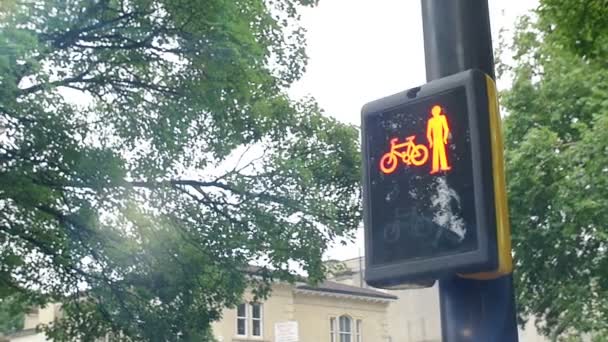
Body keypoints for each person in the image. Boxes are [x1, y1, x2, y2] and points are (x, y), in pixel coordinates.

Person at [426, 105, 451, 174]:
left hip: (440, 138)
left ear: (439, 111)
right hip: (434, 139)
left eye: (436, 111)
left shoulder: (442, 118)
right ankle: (435, 168)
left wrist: (445, 137)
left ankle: (444, 166)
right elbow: (428, 133)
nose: (434, 112)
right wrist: (430, 141)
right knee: (435, 153)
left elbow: (446, 128)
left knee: (442, 151)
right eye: (433, 111)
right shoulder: (430, 121)